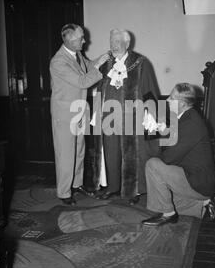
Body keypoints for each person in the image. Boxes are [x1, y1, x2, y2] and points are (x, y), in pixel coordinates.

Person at [92, 29, 160, 203]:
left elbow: (150, 89)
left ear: (127, 43)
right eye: (111, 40)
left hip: (133, 116)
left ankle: (133, 191)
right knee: (110, 152)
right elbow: (98, 88)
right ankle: (113, 187)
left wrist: (151, 116)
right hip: (109, 116)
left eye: (117, 41)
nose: (113, 45)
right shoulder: (106, 63)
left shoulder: (140, 63)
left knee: (132, 154)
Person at [142, 82, 215, 226]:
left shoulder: (191, 124)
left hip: (198, 181)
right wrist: (164, 128)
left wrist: (157, 136)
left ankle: (168, 214)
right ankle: (204, 205)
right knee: (162, 197)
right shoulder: (187, 116)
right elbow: (177, 135)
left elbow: (168, 159)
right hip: (192, 176)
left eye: (171, 98)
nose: (167, 101)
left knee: (152, 165)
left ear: (183, 104)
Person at [50, 23, 109, 205]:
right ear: (68, 40)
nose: (85, 40)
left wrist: (102, 58)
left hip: (79, 110)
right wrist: (98, 69)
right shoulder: (58, 61)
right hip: (65, 114)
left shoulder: (76, 55)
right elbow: (82, 81)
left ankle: (76, 184)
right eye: (80, 38)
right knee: (65, 153)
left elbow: (89, 66)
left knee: (79, 151)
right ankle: (64, 192)